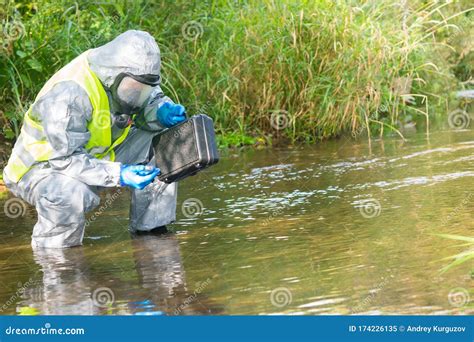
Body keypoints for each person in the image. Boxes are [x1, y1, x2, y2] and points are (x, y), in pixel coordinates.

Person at [3, 30, 186, 248]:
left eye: (145, 88)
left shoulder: (130, 75)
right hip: (42, 169)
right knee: (72, 193)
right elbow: (65, 159)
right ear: (115, 75)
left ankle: (153, 236)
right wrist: (119, 174)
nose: (138, 95)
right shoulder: (70, 94)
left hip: (96, 156)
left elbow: (146, 100)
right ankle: (56, 257)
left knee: (163, 143)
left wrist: (161, 111)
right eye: (134, 89)